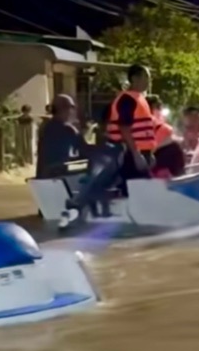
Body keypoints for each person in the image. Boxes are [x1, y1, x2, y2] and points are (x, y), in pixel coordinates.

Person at [59, 64, 154, 228]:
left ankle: (125, 221)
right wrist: (137, 154)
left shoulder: (139, 99)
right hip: (127, 151)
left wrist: (148, 153)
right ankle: (79, 207)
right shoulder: (127, 100)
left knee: (134, 186)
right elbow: (124, 128)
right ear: (134, 78)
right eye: (145, 77)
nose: (148, 81)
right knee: (139, 187)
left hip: (135, 152)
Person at [36, 94, 88, 179]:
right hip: (58, 177)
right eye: (72, 107)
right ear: (64, 109)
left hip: (43, 177)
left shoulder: (46, 127)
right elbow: (85, 151)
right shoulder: (68, 129)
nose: (74, 111)